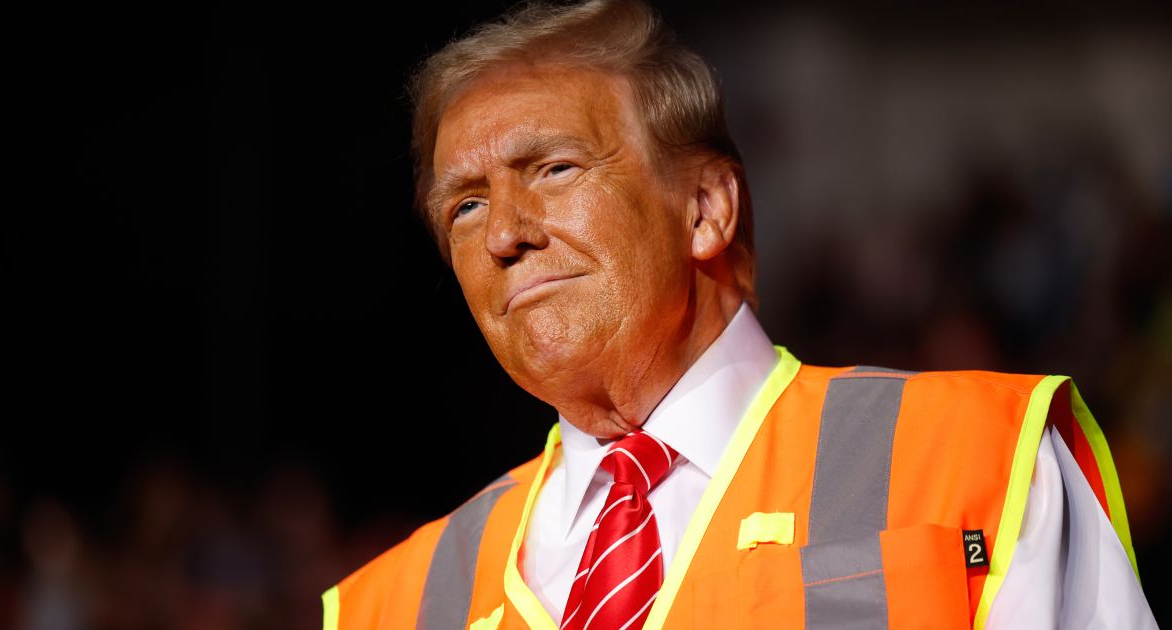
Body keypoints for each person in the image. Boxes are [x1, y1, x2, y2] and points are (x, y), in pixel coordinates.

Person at [323, 1, 1156, 627]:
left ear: (706, 209)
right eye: (465, 207)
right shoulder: (383, 606)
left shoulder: (979, 459)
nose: (505, 232)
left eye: (553, 168)